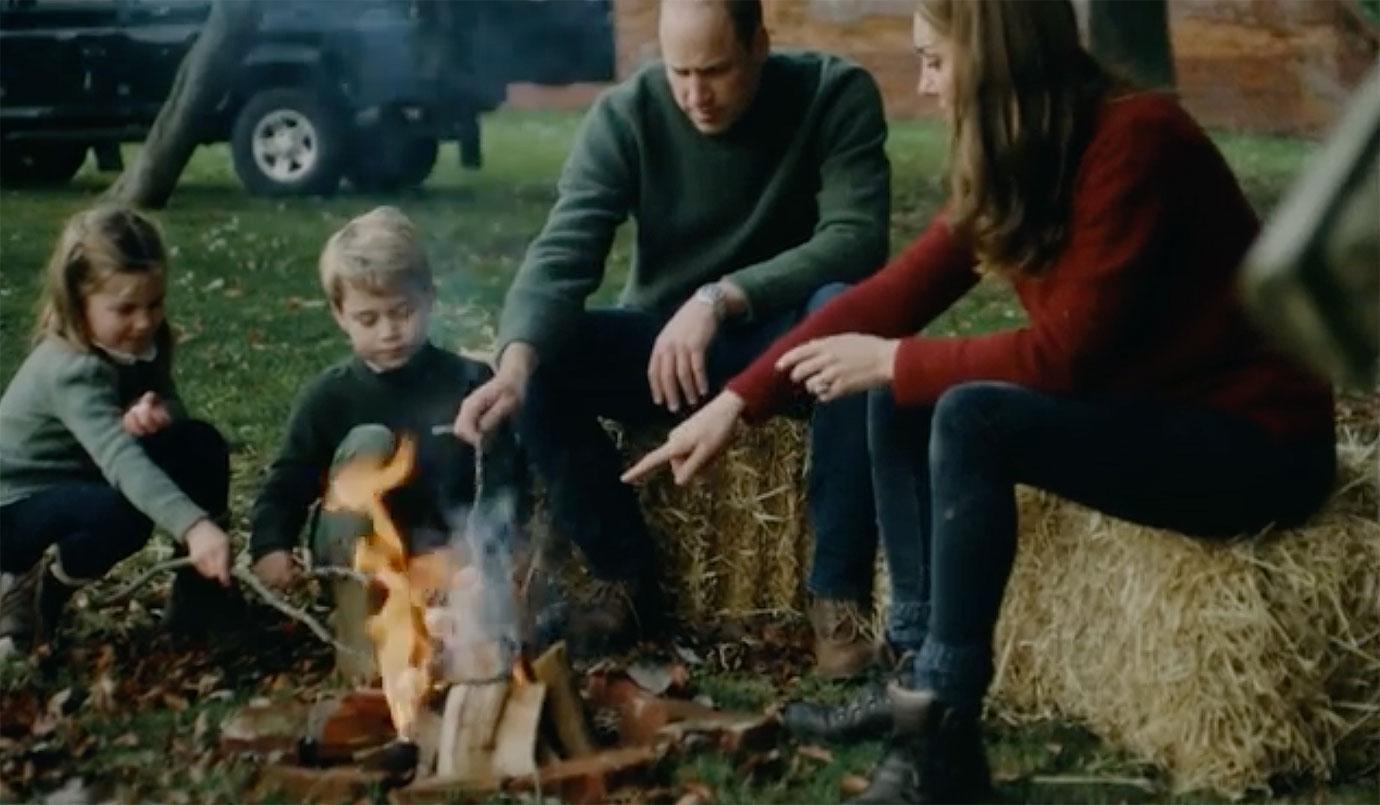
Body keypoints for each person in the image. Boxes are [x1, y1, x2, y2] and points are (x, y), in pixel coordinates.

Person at [623, 1, 1337, 800]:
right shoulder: (1025, 151)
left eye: (934, 59)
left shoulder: (1137, 141)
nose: (924, 85)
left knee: (964, 410)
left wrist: (896, 359)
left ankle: (944, 738)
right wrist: (735, 402)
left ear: (995, 55)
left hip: (1253, 441)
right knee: (900, 389)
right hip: (1152, 410)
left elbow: (1065, 359)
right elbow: (887, 298)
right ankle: (912, 677)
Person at [453, 0, 892, 671]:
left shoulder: (834, 92)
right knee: (545, 358)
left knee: (849, 312)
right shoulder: (626, 114)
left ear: (760, 45)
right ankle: (621, 575)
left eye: (715, 71)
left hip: (785, 340)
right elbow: (562, 253)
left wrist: (721, 296)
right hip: (665, 350)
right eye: (679, 70)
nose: (695, 94)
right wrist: (511, 366)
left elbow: (855, 239)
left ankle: (836, 595)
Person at [249, 206, 522, 678]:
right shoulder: (329, 397)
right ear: (340, 315)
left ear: (429, 298)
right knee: (369, 440)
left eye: (402, 313)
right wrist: (270, 545)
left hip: (449, 557)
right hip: (359, 554)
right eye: (367, 318)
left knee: (483, 644)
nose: (389, 331)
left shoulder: (469, 383)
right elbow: (288, 482)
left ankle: (457, 654)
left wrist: (481, 553)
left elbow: (504, 479)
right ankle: (361, 649)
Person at [0, 206, 235, 659]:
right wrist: (196, 526)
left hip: (78, 477)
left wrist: (158, 412)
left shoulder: (143, 340)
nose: (145, 321)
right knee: (120, 514)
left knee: (198, 442)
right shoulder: (71, 368)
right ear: (77, 302)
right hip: (14, 507)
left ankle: (201, 596)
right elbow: (121, 459)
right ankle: (36, 591)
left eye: (154, 303)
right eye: (125, 308)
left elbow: (170, 403)